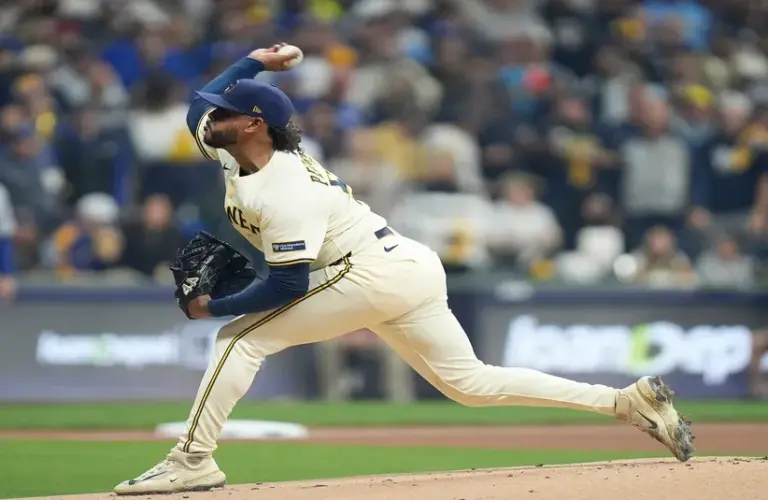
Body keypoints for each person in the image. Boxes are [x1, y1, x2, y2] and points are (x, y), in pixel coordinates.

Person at [113, 44, 695, 495]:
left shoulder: (284, 188)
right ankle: (625, 401)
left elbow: (288, 284)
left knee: (236, 338)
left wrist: (210, 307)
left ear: (254, 125)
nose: (212, 116)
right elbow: (197, 102)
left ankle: (190, 461)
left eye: (229, 111)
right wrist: (255, 63)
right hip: (404, 264)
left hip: (367, 270)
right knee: (470, 384)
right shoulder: (230, 143)